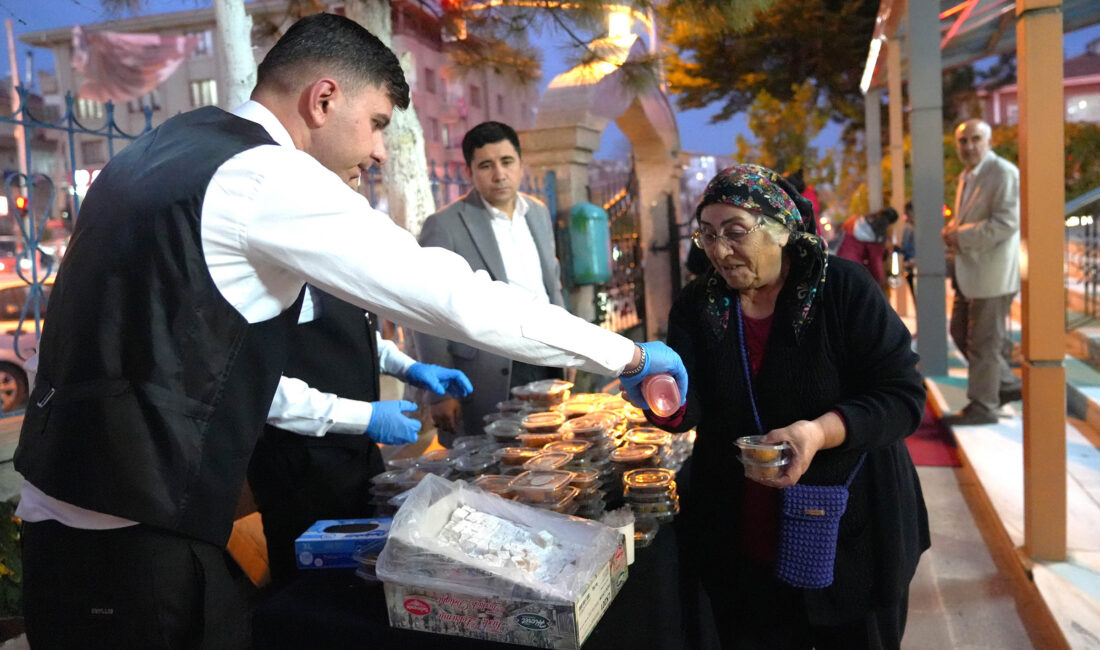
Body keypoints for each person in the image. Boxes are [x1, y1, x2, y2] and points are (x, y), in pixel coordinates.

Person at [13, 14, 686, 648]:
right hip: (139, 542)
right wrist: (627, 354)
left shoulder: (164, 147)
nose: (377, 151)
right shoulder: (266, 174)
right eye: (376, 124)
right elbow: (450, 295)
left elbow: (188, 355)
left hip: (67, 521)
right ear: (324, 99)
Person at [650, 164, 929, 649]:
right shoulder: (699, 305)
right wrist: (657, 392)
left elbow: (902, 396)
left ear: (781, 230)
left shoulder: (842, 289)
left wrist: (818, 432)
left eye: (735, 232)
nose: (719, 250)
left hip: (852, 527)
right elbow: (689, 409)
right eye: (708, 235)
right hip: (743, 533)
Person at [249, 284, 472, 589]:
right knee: (315, 591)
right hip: (298, 469)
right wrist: (366, 417)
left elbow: (355, 333)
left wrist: (407, 367)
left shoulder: (331, 269)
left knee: (367, 575)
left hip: (357, 456)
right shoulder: (259, 283)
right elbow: (262, 389)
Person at [414, 121, 565, 442]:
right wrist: (440, 391)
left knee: (549, 451)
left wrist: (568, 345)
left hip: (546, 356)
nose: (499, 174)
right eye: (486, 166)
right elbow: (428, 308)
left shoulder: (537, 213)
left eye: (507, 162)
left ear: (521, 165)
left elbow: (551, 284)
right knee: (492, 461)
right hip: (485, 372)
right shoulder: (445, 225)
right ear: (469, 172)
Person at [941, 118, 1022, 426]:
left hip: (993, 274)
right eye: (963, 141)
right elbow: (970, 218)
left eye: (976, 139)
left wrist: (959, 235)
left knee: (984, 343)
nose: (969, 146)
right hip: (970, 272)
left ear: (990, 142)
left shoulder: (1003, 172)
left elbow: (1006, 223)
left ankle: (984, 406)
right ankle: (1006, 384)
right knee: (960, 333)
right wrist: (953, 229)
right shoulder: (968, 175)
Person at [834, 206, 899, 287]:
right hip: (854, 271)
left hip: (838, 263)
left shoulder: (854, 221)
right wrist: (881, 283)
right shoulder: (878, 235)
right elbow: (876, 263)